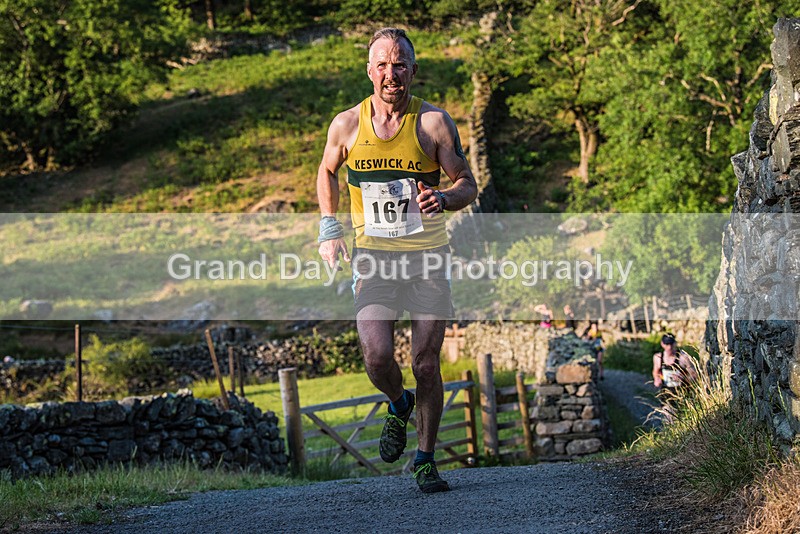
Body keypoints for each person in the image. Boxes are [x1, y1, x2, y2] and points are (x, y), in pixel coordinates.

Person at [316, 28, 478, 493]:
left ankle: (425, 460)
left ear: (413, 70)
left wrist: (443, 199)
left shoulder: (434, 123)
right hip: (374, 258)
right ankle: (399, 401)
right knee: (377, 355)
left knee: (426, 363)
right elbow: (327, 170)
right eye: (383, 65)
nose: (392, 74)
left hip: (427, 258)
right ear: (370, 71)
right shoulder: (347, 125)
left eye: (400, 64)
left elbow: (467, 183)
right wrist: (329, 228)